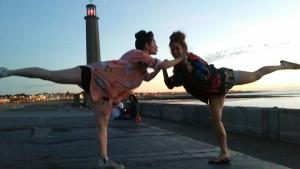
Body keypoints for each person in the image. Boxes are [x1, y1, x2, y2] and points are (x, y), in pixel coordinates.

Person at [0, 30, 185, 169]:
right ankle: (9, 72)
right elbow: (164, 63)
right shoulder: (140, 55)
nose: (157, 46)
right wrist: (180, 59)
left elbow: (147, 77)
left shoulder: (143, 64)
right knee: (50, 75)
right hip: (92, 74)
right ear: (147, 45)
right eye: (155, 43)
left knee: (102, 125)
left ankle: (103, 160)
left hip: (104, 92)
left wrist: (160, 69)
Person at [162, 31, 300, 164]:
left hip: (223, 78)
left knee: (255, 75)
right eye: (172, 50)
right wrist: (164, 70)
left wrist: (187, 65)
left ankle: (283, 66)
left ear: (184, 49)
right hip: (214, 91)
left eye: (177, 49)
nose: (175, 52)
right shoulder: (178, 69)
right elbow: (170, 84)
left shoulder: (193, 59)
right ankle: (224, 153)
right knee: (215, 119)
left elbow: (205, 77)